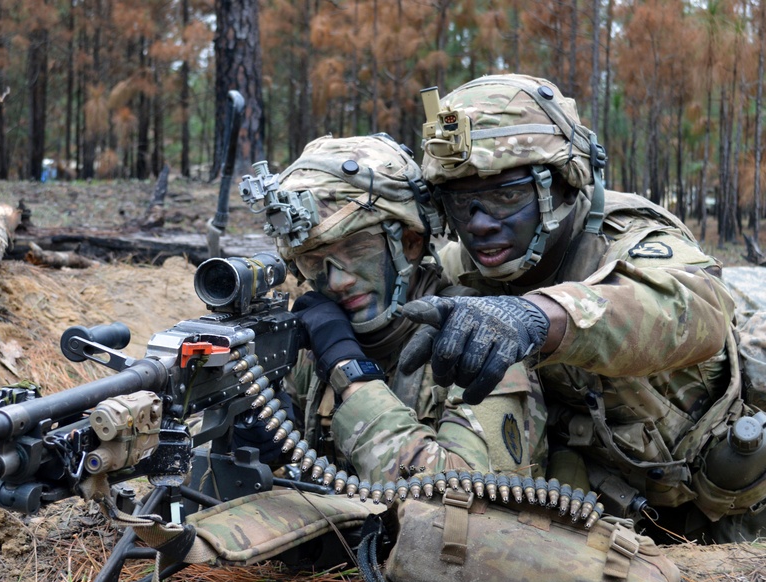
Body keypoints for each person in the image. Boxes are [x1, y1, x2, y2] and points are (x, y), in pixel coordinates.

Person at [399, 74, 766, 542]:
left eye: (507, 196)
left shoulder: (631, 237)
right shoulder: (463, 268)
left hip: (725, 513)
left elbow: (696, 310)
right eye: (460, 202)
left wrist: (540, 317)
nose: (480, 225)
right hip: (604, 512)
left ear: (565, 182)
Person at [235, 132, 548, 491]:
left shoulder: (479, 339)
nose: (336, 281)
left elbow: (466, 501)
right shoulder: (313, 342)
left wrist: (349, 375)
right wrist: (256, 445)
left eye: (355, 248)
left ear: (411, 243)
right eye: (312, 259)